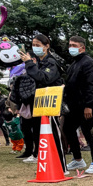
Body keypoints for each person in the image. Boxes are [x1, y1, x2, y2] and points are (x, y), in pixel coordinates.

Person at [18, 33, 64, 166]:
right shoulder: (38, 62)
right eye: (33, 45)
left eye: (38, 45)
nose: (35, 47)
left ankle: (61, 165)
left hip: (50, 102)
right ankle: (43, 159)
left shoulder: (51, 62)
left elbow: (44, 78)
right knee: (39, 132)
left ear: (47, 46)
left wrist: (29, 63)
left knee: (53, 133)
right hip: (39, 102)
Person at [63, 35, 93, 173]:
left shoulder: (88, 63)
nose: (71, 48)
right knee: (67, 128)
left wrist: (89, 105)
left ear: (82, 48)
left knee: (88, 133)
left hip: (85, 105)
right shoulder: (74, 64)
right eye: (70, 45)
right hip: (73, 106)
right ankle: (78, 159)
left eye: (74, 45)